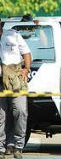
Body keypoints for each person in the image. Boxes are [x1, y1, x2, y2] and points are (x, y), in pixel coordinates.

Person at [0, 20, 32, 159]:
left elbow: (26, 53)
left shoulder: (13, 35)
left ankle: (18, 146)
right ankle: (2, 147)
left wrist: (26, 69)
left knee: (20, 111)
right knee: (1, 116)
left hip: (15, 80)